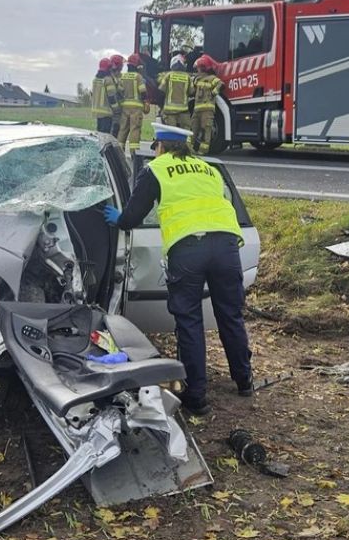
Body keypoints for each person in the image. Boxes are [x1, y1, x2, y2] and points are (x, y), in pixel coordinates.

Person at [102, 123, 253, 416]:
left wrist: (118, 218)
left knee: (189, 321)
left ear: (160, 146)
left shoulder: (156, 169)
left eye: (155, 147)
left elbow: (133, 216)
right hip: (226, 247)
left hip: (189, 250)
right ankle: (244, 379)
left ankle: (197, 397)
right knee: (230, 314)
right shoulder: (208, 169)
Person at [115, 53, 147, 154]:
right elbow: (143, 92)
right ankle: (134, 154)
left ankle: (119, 152)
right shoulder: (138, 77)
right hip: (136, 108)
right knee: (135, 130)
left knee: (123, 130)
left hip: (125, 108)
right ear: (137, 65)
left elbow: (119, 92)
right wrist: (145, 101)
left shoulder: (123, 77)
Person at [191, 55, 223, 152]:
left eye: (198, 68)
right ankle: (189, 148)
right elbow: (192, 91)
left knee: (206, 129)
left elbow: (221, 84)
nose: (197, 70)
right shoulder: (196, 79)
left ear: (203, 67)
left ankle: (203, 150)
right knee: (193, 129)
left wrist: (214, 92)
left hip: (207, 110)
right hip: (197, 110)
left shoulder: (212, 78)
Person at [157, 56, 192, 130]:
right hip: (183, 111)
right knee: (186, 131)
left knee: (171, 131)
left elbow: (161, 91)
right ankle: (184, 142)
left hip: (169, 111)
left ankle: (172, 142)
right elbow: (192, 92)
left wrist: (162, 107)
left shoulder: (168, 76)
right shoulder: (187, 77)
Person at [90, 57, 117, 134]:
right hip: (106, 113)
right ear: (108, 68)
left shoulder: (95, 79)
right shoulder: (108, 80)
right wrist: (117, 109)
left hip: (97, 112)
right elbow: (112, 97)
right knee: (105, 135)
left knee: (100, 134)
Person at [108, 54, 125, 137]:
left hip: (112, 108)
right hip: (115, 108)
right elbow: (121, 91)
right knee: (115, 129)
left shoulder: (108, 75)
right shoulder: (112, 77)